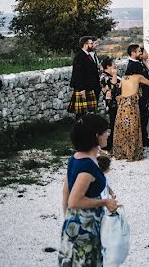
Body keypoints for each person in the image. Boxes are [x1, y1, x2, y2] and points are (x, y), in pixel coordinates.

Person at [59, 114, 119, 267]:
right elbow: (75, 200)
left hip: (75, 223)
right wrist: (105, 201)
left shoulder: (76, 158)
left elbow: (66, 189)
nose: (107, 134)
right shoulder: (88, 167)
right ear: (96, 136)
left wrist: (66, 217)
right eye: (105, 131)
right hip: (85, 227)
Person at [113, 65, 149, 161]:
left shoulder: (123, 78)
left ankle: (122, 151)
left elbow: (120, 89)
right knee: (133, 128)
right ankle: (133, 152)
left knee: (122, 128)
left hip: (122, 105)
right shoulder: (138, 77)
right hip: (132, 105)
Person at [125, 44, 149, 147]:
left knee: (144, 116)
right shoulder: (132, 65)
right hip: (140, 95)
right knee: (142, 117)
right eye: (138, 51)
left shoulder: (138, 63)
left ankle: (144, 138)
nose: (140, 53)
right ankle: (143, 140)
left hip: (145, 94)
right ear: (133, 53)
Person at [70, 36, 101, 116]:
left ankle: (87, 127)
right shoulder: (80, 56)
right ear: (85, 45)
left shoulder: (87, 55)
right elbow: (78, 74)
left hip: (89, 87)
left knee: (89, 113)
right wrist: (81, 89)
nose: (92, 45)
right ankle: (80, 128)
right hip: (83, 89)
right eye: (91, 44)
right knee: (82, 114)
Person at [99, 58, 120, 151]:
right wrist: (115, 75)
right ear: (108, 66)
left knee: (115, 123)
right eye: (113, 64)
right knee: (112, 123)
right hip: (111, 103)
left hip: (117, 102)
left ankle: (114, 143)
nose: (115, 65)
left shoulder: (111, 75)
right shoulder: (104, 77)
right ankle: (109, 145)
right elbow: (113, 88)